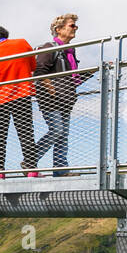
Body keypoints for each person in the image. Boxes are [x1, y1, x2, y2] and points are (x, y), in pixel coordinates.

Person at [30, 14, 90, 177]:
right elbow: (39, 71)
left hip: (66, 99)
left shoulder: (70, 52)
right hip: (51, 99)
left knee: (63, 135)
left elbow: (71, 78)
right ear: (59, 29)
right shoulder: (49, 48)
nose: (75, 28)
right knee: (57, 131)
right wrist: (51, 89)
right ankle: (30, 160)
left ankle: (61, 169)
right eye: (72, 25)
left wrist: (92, 72)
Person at [0, 26, 38, 179]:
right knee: (25, 132)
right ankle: (32, 170)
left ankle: (0, 172)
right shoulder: (22, 43)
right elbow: (33, 66)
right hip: (22, 94)